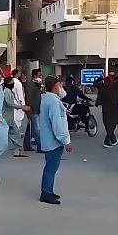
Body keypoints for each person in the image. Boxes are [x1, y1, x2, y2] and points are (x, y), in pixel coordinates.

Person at [37, 76, 73, 204]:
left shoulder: (49, 99)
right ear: (55, 86)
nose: (61, 87)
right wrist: (66, 141)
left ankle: (48, 191)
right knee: (51, 167)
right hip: (54, 141)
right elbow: (57, 125)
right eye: (60, 85)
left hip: (50, 140)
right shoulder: (52, 101)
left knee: (51, 167)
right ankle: (46, 193)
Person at [3, 76, 30, 158]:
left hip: (9, 115)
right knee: (14, 133)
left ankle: (18, 150)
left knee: (14, 133)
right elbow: (10, 103)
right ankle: (19, 149)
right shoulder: (7, 91)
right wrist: (22, 107)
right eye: (12, 83)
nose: (13, 84)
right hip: (7, 116)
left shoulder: (9, 91)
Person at [95, 71, 118, 147]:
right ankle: (108, 139)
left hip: (109, 107)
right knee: (111, 123)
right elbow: (95, 83)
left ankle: (111, 138)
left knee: (110, 123)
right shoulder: (113, 85)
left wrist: (101, 78)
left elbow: (95, 83)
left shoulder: (105, 85)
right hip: (112, 107)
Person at [24, 69, 43, 152]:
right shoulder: (31, 85)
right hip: (32, 109)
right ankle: (40, 146)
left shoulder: (37, 85)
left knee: (29, 128)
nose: (40, 77)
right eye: (39, 75)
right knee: (37, 129)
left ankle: (27, 145)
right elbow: (29, 97)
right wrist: (29, 108)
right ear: (34, 76)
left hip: (35, 109)